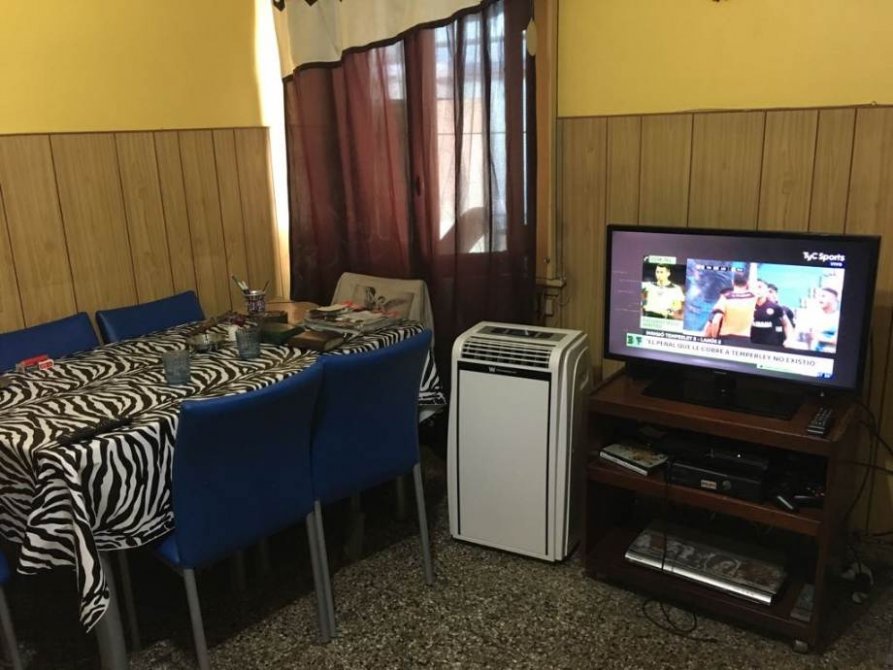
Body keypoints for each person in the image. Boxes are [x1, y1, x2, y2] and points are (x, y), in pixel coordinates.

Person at [705, 272, 756, 345]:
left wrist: (714, 338)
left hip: (726, 338)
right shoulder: (753, 297)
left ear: (732, 282)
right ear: (747, 283)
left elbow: (715, 321)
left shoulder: (725, 298)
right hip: (744, 339)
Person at [751, 279, 793, 346]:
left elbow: (787, 324)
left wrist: (789, 339)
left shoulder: (775, 308)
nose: (757, 290)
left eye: (760, 287)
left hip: (771, 346)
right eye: (755, 288)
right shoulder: (748, 306)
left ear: (766, 290)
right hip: (752, 345)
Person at [807, 287, 840, 353]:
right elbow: (809, 338)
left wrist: (817, 337)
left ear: (833, 299)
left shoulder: (838, 318)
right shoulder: (814, 316)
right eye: (819, 296)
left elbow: (837, 340)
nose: (820, 299)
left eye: (823, 296)